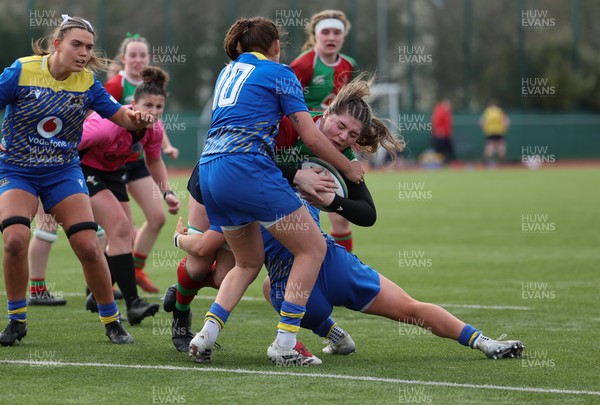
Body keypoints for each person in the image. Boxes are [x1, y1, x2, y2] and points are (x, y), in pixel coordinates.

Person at [166, 75, 400, 358]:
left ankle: (283, 338)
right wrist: (297, 175)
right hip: (221, 176)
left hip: (258, 194)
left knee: (225, 273)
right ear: (325, 113)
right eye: (340, 126)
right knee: (201, 259)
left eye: (351, 135)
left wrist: (335, 199)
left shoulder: (343, 155)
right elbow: (250, 159)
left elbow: (367, 212)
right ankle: (181, 313)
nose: (342, 137)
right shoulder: (291, 124)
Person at [187, 16, 364, 366]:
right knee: (312, 248)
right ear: (276, 46)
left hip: (209, 169)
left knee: (248, 262)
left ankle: (205, 335)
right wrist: (348, 167)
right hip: (246, 168)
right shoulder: (281, 72)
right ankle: (285, 343)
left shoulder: (230, 69)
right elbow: (312, 137)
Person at [0, 14, 154, 346]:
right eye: (77, 45)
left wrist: (137, 117)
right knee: (14, 240)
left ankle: (112, 319)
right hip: (17, 170)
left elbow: (121, 116)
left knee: (87, 246)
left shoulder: (87, 82)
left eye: (89, 47)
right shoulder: (22, 70)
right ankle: (16, 320)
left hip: (62, 172)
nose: (84, 53)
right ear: (57, 44)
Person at [79, 66, 180, 324]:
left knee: (122, 235)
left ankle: (99, 296)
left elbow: (154, 161)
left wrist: (167, 192)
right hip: (82, 169)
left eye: (159, 107)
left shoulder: (154, 130)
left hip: (112, 174)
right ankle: (133, 304)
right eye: (148, 105)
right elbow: (70, 144)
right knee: (122, 226)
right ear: (132, 104)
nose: (154, 112)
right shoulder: (106, 126)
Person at [105, 33, 179, 293]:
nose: (138, 60)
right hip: (109, 164)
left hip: (136, 163)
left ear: (149, 59)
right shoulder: (115, 86)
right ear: (123, 58)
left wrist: (166, 147)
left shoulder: (153, 91)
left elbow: (154, 124)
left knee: (158, 217)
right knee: (119, 228)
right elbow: (95, 119)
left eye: (142, 55)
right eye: (133, 55)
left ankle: (134, 270)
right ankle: (102, 286)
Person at [290, 10, 358, 252]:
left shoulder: (350, 64)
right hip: (303, 144)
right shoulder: (303, 64)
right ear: (316, 35)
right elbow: (287, 104)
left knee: (341, 216)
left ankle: (345, 268)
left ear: (343, 36)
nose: (331, 37)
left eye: (337, 32)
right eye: (326, 32)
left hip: (336, 143)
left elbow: (354, 109)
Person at [480, 99, 510, 166]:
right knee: (501, 146)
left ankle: (487, 162)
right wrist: (505, 128)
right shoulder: (500, 111)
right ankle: (502, 162)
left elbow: (483, 122)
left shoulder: (487, 112)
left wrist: (484, 128)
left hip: (490, 132)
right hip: (499, 132)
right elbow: (505, 121)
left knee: (490, 147)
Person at [431, 98, 455, 164]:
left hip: (446, 135)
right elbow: (436, 121)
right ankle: (439, 163)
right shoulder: (440, 111)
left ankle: (448, 162)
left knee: (448, 150)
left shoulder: (447, 112)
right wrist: (439, 131)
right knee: (440, 150)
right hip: (440, 135)